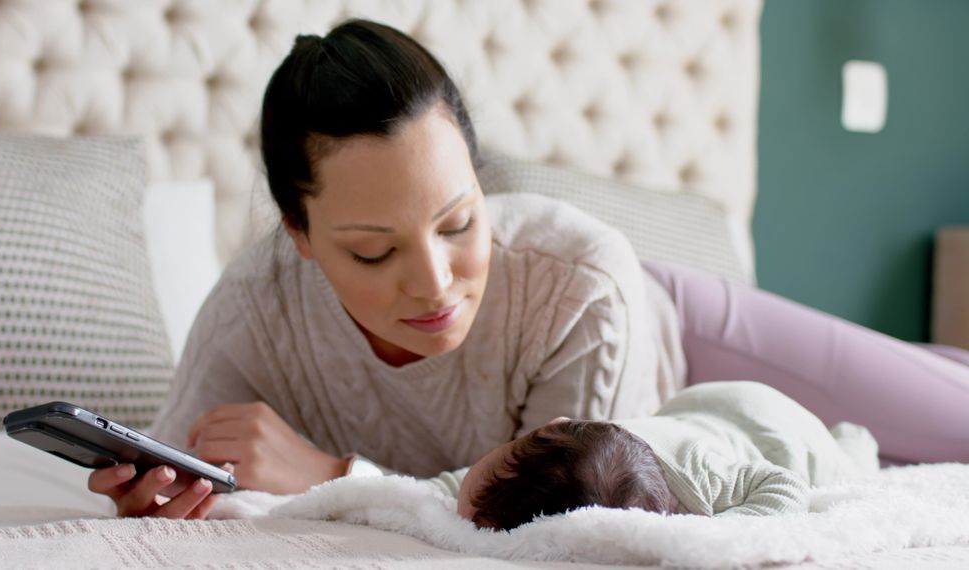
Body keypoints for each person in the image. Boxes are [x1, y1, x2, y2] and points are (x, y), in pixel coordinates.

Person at [85, 18, 969, 520]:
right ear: (298, 234)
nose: (431, 284)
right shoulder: (256, 312)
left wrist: (330, 477)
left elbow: (565, 529)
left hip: (682, 343)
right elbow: (182, 471)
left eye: (458, 222)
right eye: (372, 250)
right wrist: (160, 493)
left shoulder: (573, 281)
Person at [451, 381, 880, 530]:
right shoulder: (598, 448)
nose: (461, 506)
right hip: (703, 406)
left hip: (779, 432)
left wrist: (721, 530)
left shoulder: (703, 478)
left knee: (849, 471)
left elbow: (784, 483)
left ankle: (853, 438)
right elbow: (475, 480)